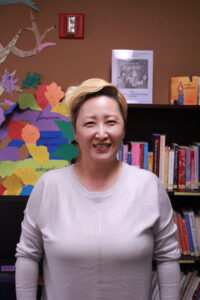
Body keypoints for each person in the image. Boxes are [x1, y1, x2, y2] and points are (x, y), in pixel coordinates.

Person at [15, 78, 180, 300]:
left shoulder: (148, 185)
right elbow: (27, 256)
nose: (101, 133)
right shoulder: (49, 186)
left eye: (111, 122)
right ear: (75, 132)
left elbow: (168, 257)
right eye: (90, 123)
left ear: (123, 128)